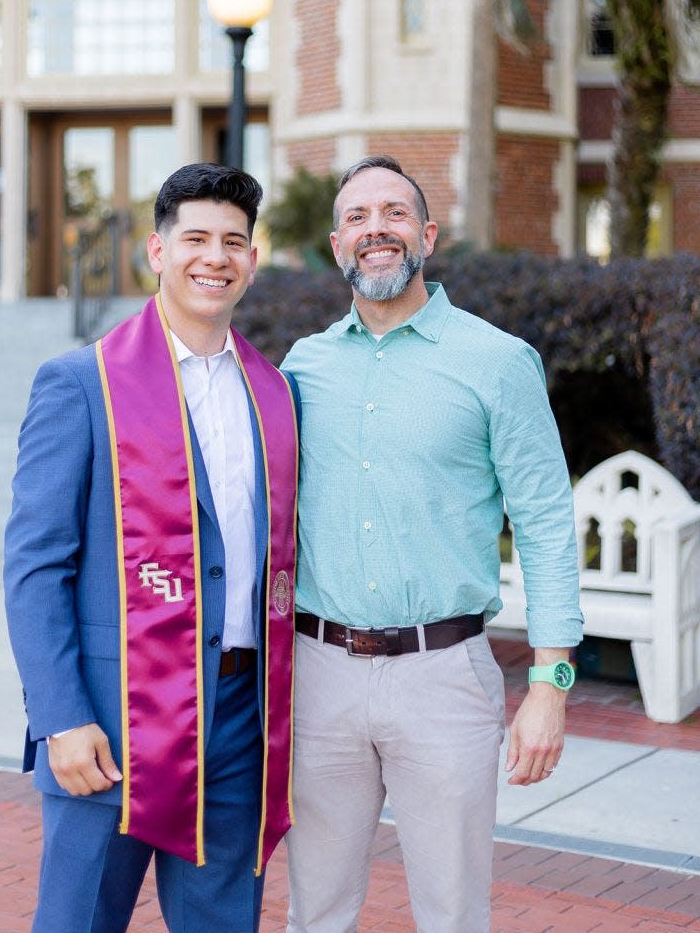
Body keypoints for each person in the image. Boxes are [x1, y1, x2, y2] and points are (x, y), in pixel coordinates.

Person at [280, 155, 583, 933]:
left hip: (444, 675)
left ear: (429, 235)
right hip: (317, 678)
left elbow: (546, 519)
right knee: (315, 910)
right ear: (336, 243)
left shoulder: (497, 362)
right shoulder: (301, 368)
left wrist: (549, 683)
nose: (375, 228)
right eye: (356, 217)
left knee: (452, 916)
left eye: (394, 213)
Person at [4, 163, 299, 933]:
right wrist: (59, 716)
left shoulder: (274, 393)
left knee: (222, 923)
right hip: (110, 718)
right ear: (155, 251)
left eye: (234, 241)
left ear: (253, 261)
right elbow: (37, 564)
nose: (216, 257)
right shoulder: (81, 384)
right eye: (195, 237)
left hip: (238, 716)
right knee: (79, 922)